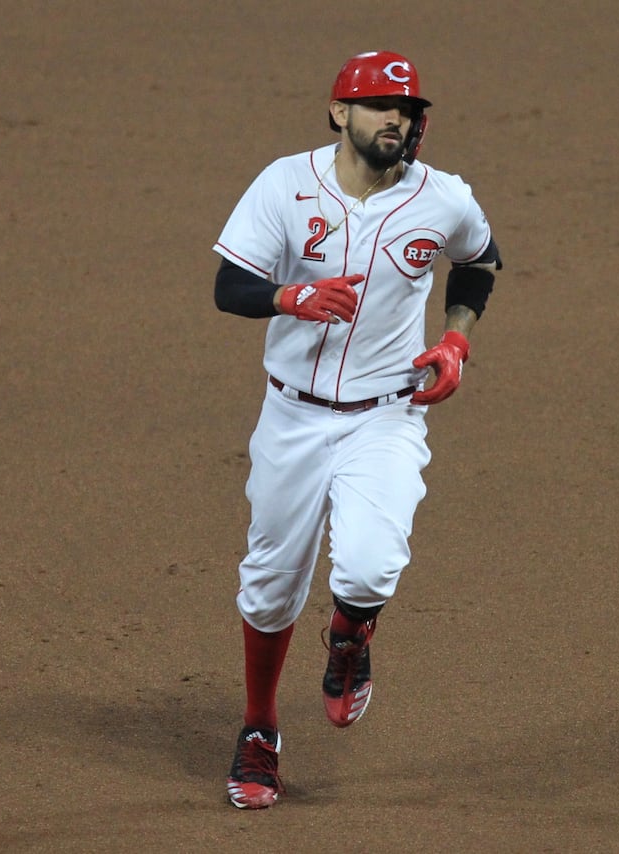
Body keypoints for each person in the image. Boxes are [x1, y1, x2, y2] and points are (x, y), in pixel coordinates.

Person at [211, 50, 502, 809]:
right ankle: (260, 729)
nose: (395, 119)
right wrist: (289, 299)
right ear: (341, 113)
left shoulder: (443, 200)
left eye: (406, 109)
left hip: (387, 415)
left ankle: (349, 637)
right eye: (378, 105)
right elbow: (228, 284)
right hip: (293, 416)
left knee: (369, 570)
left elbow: (480, 261)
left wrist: (456, 340)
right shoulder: (285, 183)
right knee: (271, 589)